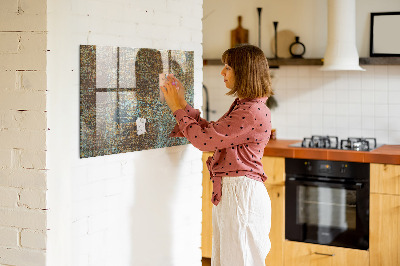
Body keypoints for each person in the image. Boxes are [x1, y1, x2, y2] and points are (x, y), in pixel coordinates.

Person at [161, 44, 273, 266]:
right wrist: (182, 103)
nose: (222, 72)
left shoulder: (250, 111)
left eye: (228, 67)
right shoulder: (246, 106)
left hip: (241, 195)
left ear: (244, 72)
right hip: (236, 193)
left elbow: (204, 141)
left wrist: (176, 107)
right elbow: (212, 133)